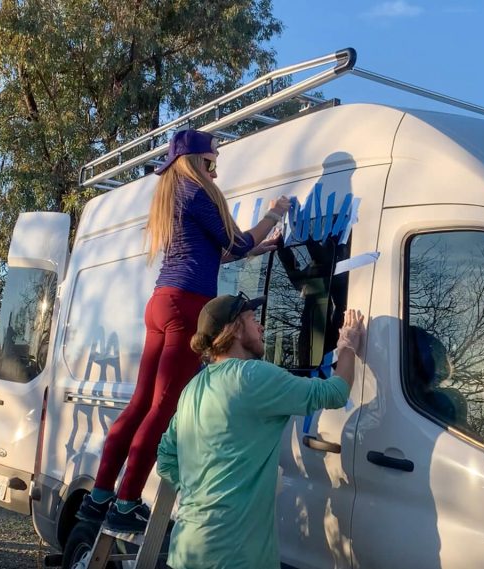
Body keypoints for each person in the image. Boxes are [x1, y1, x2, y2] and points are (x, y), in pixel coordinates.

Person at [77, 130, 291, 533]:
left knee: (141, 403)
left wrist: (255, 247)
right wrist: (275, 213)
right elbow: (236, 242)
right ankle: (126, 503)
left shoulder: (175, 194)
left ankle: (100, 497)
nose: (216, 171)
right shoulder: (197, 192)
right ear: (196, 162)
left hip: (163, 301)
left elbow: (211, 253)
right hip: (187, 304)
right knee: (164, 407)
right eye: (212, 162)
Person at [156, 293, 366, 569]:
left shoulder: (192, 389)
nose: (261, 326)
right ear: (234, 329)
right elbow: (334, 393)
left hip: (186, 549)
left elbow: (166, 459)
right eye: (253, 319)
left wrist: (203, 498)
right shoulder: (252, 376)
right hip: (234, 557)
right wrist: (347, 345)